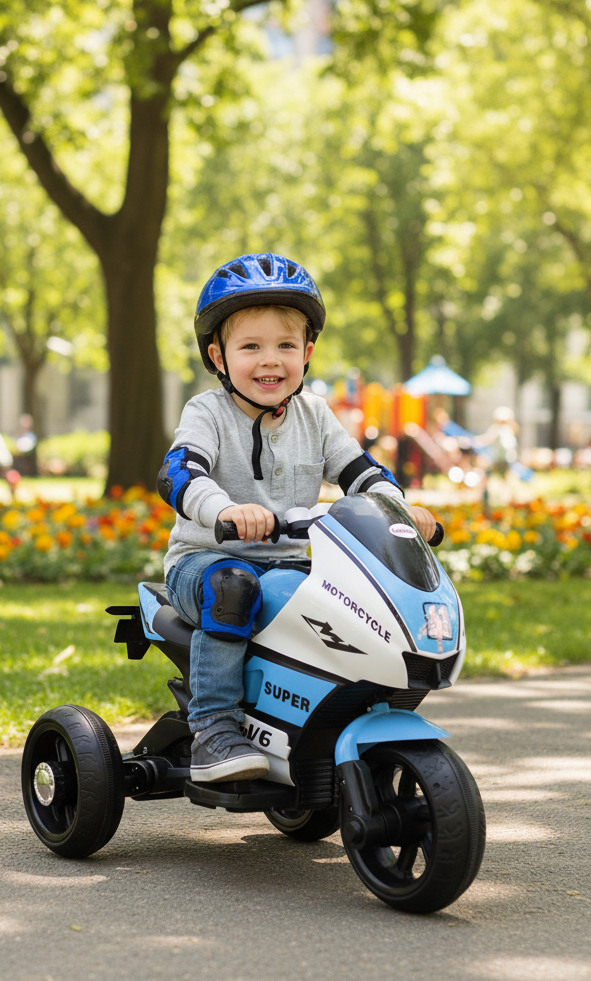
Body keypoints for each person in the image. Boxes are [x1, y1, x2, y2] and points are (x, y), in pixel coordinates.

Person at [158, 253, 437, 784]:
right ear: (217, 356)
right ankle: (214, 729)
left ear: (307, 353)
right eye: (251, 346)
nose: (271, 360)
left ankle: (317, 726)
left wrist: (401, 510)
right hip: (207, 561)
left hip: (290, 562)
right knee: (234, 586)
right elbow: (180, 473)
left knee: (350, 608)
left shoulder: (316, 415)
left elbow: (362, 472)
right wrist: (226, 510)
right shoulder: (206, 413)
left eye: (285, 345)